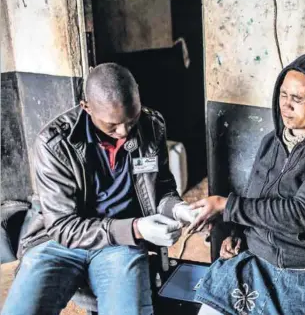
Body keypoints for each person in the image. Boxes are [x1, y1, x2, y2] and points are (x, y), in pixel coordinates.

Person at [2, 63, 199, 315]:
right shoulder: (54, 143)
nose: (125, 132)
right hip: (58, 243)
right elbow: (62, 227)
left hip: (122, 244)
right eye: (112, 125)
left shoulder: (152, 126)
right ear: (86, 107)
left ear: (138, 94)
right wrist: (137, 227)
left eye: (132, 118)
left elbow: (161, 188)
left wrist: (178, 208)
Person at [188, 51, 305, 315]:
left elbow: (301, 214)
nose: (286, 106)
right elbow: (256, 196)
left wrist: (226, 206)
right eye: (283, 95)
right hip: (258, 256)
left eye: (297, 99)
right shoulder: (272, 141)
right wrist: (238, 235)